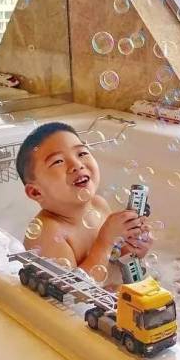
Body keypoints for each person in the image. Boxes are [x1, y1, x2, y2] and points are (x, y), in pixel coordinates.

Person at [15, 122, 153, 284]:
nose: (76, 165)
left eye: (81, 153)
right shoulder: (47, 233)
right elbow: (70, 291)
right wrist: (105, 241)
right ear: (36, 192)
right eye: (58, 161)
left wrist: (132, 249)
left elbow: (113, 259)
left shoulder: (99, 205)